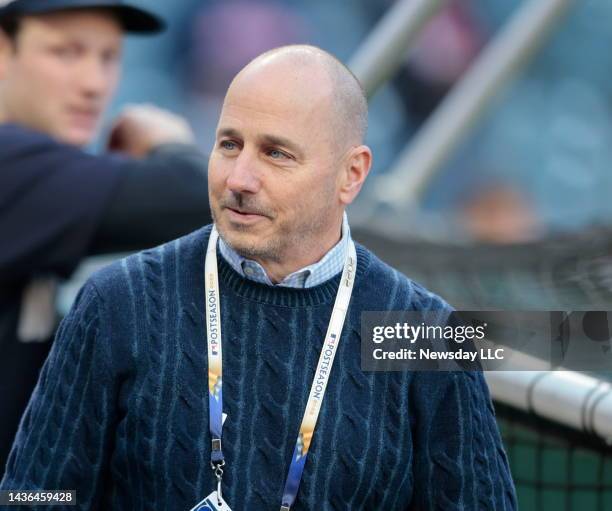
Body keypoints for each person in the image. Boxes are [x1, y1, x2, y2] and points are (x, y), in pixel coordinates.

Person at [0, 45, 516, 510]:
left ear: (351, 174)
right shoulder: (118, 302)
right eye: (229, 144)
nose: (240, 179)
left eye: (276, 153)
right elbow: (34, 492)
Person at [0, 0, 211, 476]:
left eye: (108, 57)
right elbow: (209, 200)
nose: (94, 84)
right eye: (65, 53)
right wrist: (169, 142)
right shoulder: (11, 163)